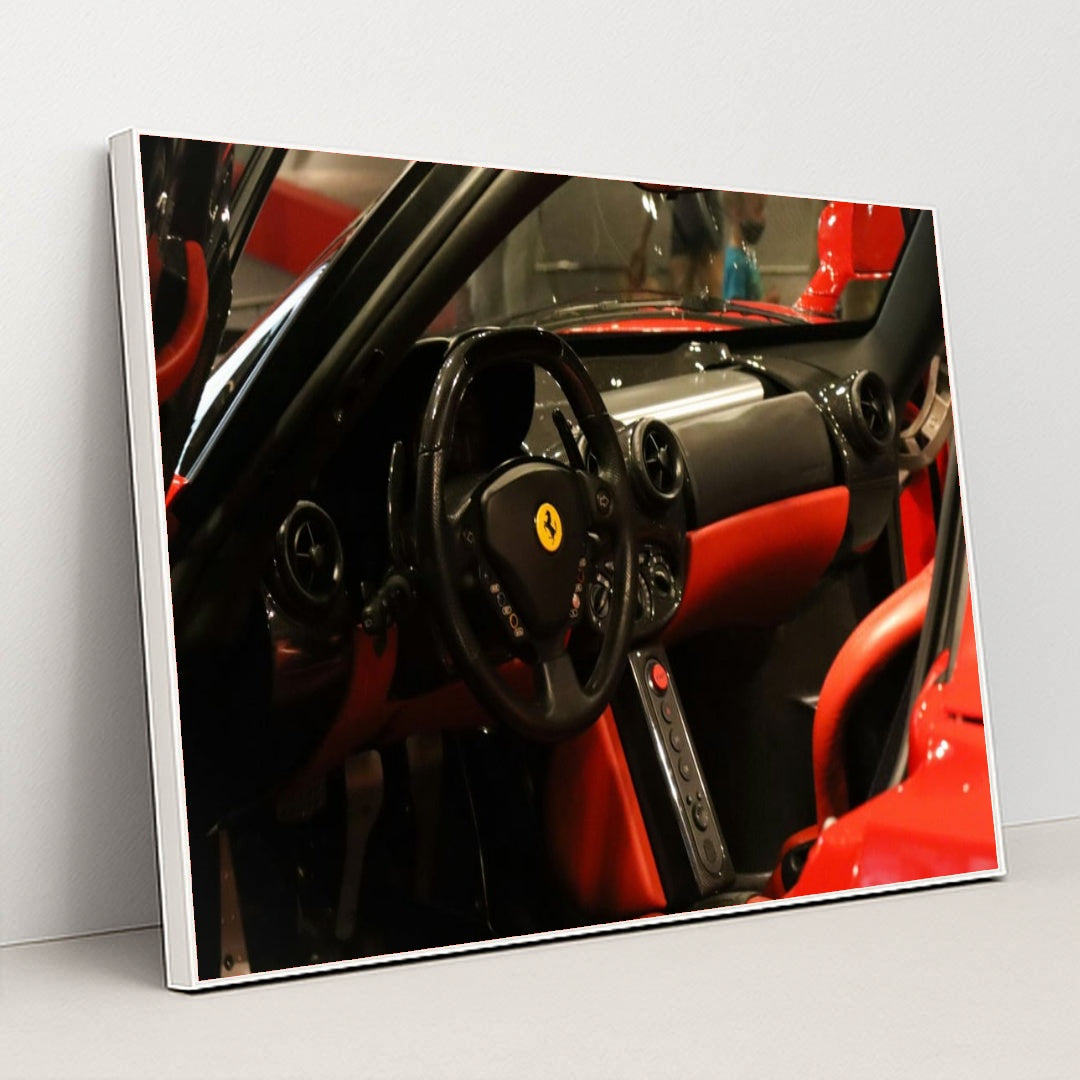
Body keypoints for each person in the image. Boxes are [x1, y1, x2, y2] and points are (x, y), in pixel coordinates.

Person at [722, 191, 780, 303]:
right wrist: (767, 303)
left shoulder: (744, 255)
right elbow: (736, 312)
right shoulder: (737, 265)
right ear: (737, 213)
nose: (764, 218)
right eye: (758, 210)